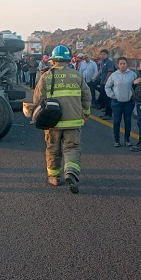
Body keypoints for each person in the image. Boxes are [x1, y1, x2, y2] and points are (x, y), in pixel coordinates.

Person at [30, 45, 91, 194]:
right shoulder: (77, 75)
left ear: (52, 60)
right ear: (68, 60)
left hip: (52, 122)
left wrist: (35, 115)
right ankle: (70, 171)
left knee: (53, 149)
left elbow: (37, 99)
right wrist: (86, 113)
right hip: (74, 121)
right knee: (72, 148)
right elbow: (87, 96)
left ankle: (54, 177)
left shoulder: (46, 76)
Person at [105, 57, 138, 147]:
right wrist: (112, 96)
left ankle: (127, 139)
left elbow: (137, 86)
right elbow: (107, 87)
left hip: (129, 102)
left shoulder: (132, 74)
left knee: (127, 121)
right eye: (121, 64)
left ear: (127, 64)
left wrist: (133, 95)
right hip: (116, 102)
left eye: (124, 63)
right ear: (118, 65)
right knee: (116, 121)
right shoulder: (114, 75)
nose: (122, 65)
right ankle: (117, 140)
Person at [93, 49, 115, 119]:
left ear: (107, 55)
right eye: (101, 54)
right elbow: (101, 70)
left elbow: (110, 72)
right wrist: (95, 77)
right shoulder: (102, 62)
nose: (102, 56)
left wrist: (106, 81)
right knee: (104, 97)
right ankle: (106, 109)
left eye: (104, 54)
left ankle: (109, 114)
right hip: (102, 81)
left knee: (108, 98)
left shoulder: (109, 62)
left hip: (107, 83)